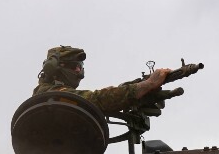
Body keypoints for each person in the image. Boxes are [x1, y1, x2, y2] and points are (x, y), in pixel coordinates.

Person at [33, 46, 170, 115]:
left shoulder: (57, 96)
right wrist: (147, 85)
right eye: (73, 66)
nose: (78, 71)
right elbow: (96, 100)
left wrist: (137, 95)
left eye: (80, 67)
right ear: (53, 69)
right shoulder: (49, 94)